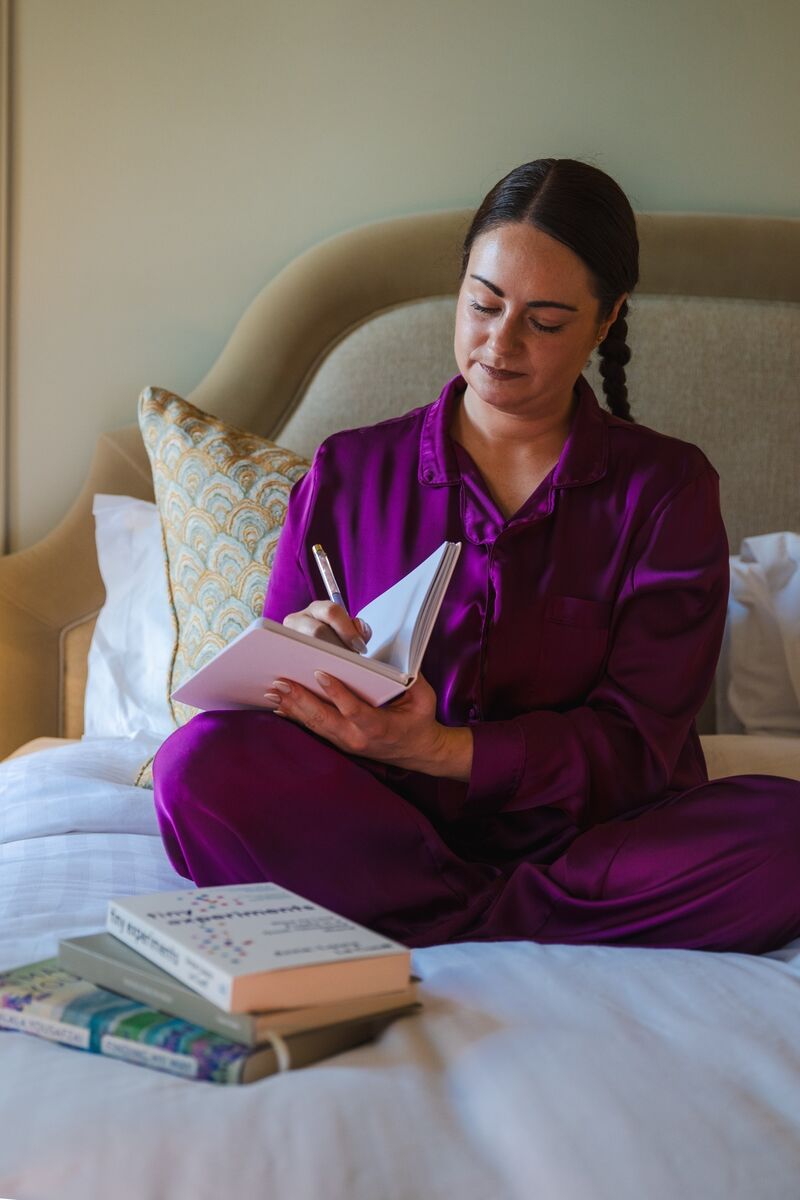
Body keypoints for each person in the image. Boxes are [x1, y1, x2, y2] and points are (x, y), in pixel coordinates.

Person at [153, 158, 800, 954]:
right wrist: (306, 655)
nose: (500, 343)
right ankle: (511, 918)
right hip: (385, 833)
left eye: (547, 321)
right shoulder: (349, 472)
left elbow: (636, 748)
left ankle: (440, 917)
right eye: (483, 304)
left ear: (606, 320)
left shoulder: (666, 490)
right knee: (199, 768)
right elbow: (268, 717)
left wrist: (442, 749)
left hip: (597, 846)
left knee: (789, 831)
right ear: (460, 288)